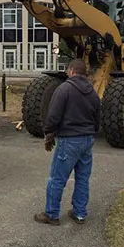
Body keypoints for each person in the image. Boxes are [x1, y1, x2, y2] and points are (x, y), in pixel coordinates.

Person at [34, 59, 101, 226]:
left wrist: (49, 133)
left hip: (69, 141)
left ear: (71, 71)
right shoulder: (92, 92)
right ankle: (79, 213)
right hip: (87, 140)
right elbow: (98, 118)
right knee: (83, 178)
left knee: (57, 179)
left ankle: (52, 214)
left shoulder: (64, 89)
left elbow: (54, 116)